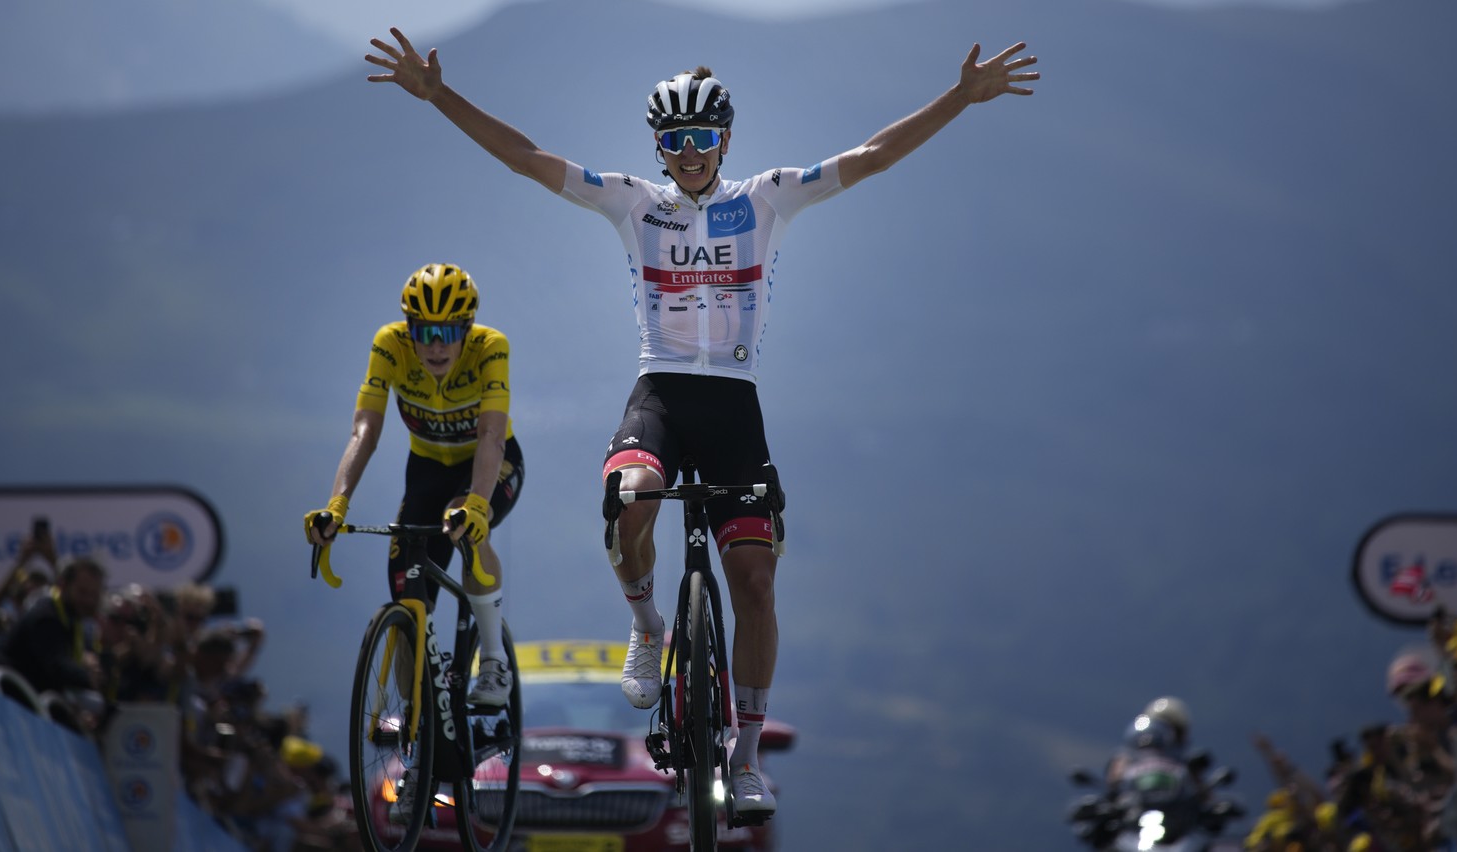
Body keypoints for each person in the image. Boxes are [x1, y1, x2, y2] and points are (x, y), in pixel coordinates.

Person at [364, 26, 1039, 818]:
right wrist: (440, 95)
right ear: (659, 145)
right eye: (674, 139)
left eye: (701, 137)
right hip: (660, 396)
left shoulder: (768, 198)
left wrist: (961, 97)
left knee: (754, 584)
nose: (688, 152)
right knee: (631, 496)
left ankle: (743, 760)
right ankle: (648, 624)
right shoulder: (634, 204)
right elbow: (527, 156)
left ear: (724, 138)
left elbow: (873, 156)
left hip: (734, 406)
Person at [305, 262, 524, 708]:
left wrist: (478, 505)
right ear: (409, 329)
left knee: (462, 523)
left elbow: (491, 436)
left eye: (448, 332)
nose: (437, 346)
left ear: (467, 327)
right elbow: (363, 432)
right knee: (407, 595)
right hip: (425, 471)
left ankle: (494, 662)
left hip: (488, 466)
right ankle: (416, 723)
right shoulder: (390, 345)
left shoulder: (490, 346)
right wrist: (337, 505)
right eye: (425, 333)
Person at [0, 555, 107, 732]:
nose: (89, 601)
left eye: (94, 595)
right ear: (63, 586)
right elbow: (56, 666)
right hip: (14, 714)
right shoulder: (46, 617)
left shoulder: (74, 623)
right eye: (82, 592)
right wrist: (88, 677)